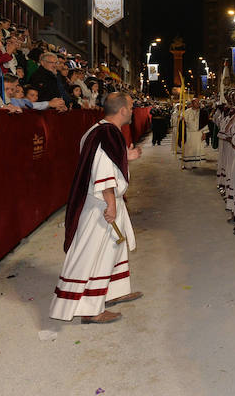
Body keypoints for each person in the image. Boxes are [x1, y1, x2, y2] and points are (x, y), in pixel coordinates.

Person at [50, 92, 143, 324]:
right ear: (122, 110)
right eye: (131, 107)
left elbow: (104, 161)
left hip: (102, 201)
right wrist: (111, 203)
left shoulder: (97, 130)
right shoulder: (108, 134)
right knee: (93, 254)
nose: (133, 110)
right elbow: (102, 170)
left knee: (114, 249)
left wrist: (125, 157)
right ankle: (90, 309)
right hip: (101, 205)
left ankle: (114, 291)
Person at [182, 99, 209, 169]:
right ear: (192, 104)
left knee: (197, 149)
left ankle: (196, 164)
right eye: (196, 103)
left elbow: (204, 123)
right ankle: (187, 164)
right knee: (188, 149)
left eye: (198, 102)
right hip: (189, 134)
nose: (198, 104)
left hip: (199, 133)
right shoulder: (187, 111)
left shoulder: (203, 112)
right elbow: (182, 121)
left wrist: (204, 133)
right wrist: (181, 118)